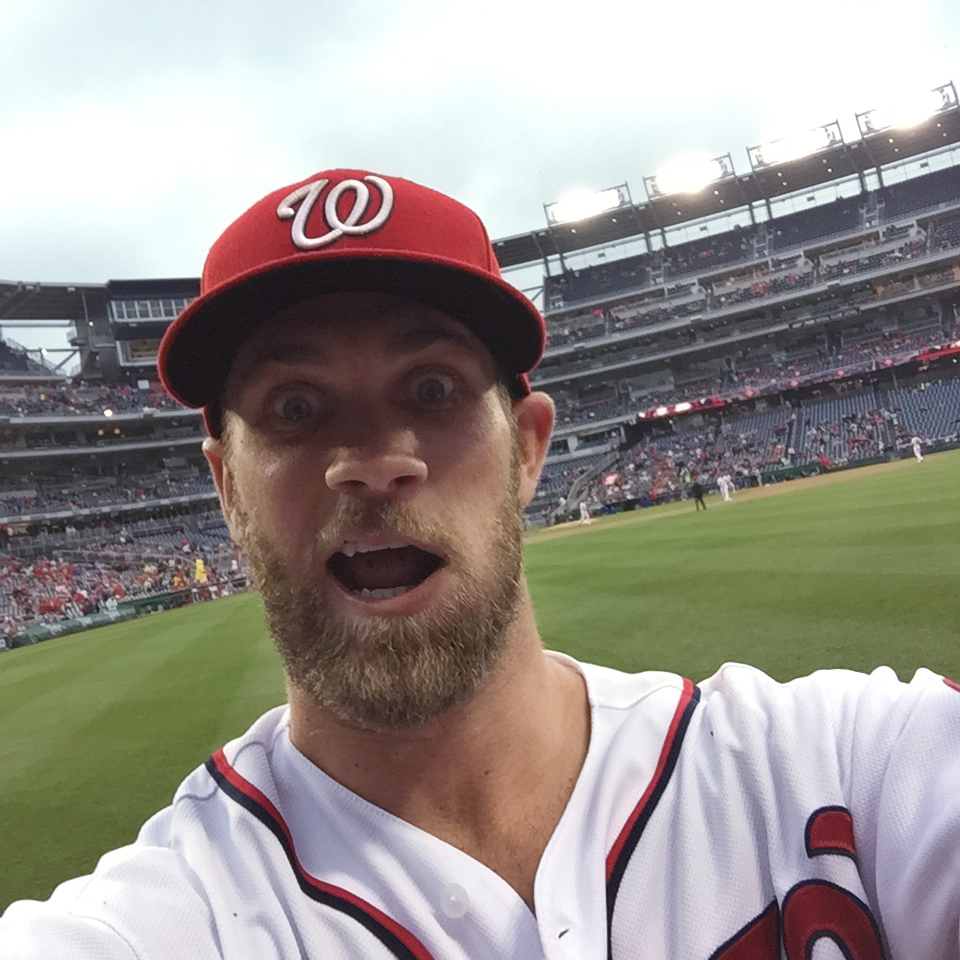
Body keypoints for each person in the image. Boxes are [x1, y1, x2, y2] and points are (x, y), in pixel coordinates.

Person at [3, 169, 960, 960]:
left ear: (530, 448)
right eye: (294, 408)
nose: (373, 461)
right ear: (226, 486)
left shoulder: (845, 766)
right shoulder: (165, 924)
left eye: (433, 387)